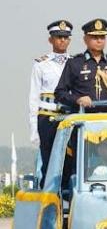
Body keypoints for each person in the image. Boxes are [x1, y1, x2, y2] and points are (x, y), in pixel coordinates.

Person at [54, 18, 107, 113]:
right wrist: (77, 99)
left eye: (102, 37)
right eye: (95, 37)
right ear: (85, 39)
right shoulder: (75, 63)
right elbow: (60, 93)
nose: (99, 41)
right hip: (83, 119)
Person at [29, 20, 72, 183]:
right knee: (48, 162)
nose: (62, 40)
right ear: (51, 40)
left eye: (65, 37)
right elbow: (33, 99)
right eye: (58, 37)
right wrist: (33, 128)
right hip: (47, 116)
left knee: (69, 161)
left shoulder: (75, 63)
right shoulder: (41, 64)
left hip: (68, 117)